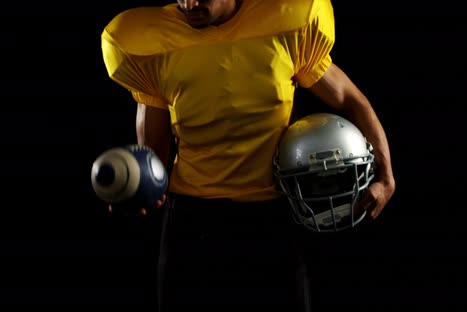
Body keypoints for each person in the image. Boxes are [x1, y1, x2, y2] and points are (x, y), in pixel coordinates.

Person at [100, 0, 396, 311]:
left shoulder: (285, 23)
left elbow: (351, 99)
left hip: (271, 219)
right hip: (192, 221)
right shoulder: (153, 43)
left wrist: (386, 175)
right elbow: (152, 159)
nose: (190, 3)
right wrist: (138, 191)